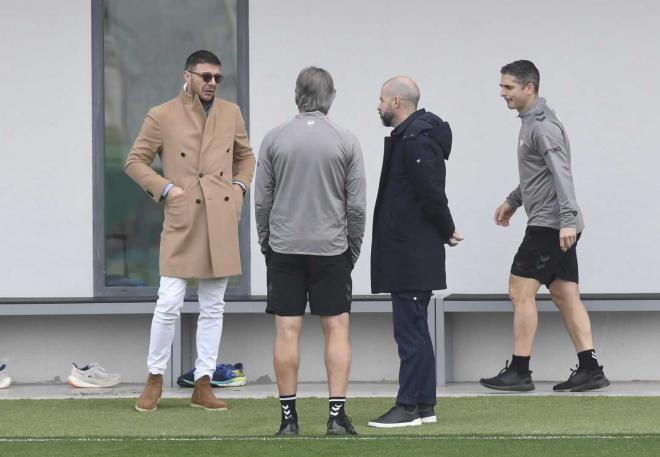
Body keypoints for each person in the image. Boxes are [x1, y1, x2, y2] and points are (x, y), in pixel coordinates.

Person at [125, 50, 255, 412]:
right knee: (168, 302)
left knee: (214, 306)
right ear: (188, 76)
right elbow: (134, 161)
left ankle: (203, 382)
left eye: (217, 77)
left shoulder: (231, 113)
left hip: (220, 216)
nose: (212, 83)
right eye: (205, 76)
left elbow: (246, 157)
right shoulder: (161, 114)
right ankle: (154, 378)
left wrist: (239, 189)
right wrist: (168, 190)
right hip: (183, 218)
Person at [479, 60, 609, 392]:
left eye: (508, 87)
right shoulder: (530, 124)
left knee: (519, 290)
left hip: (552, 225)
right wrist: (513, 200)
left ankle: (520, 371)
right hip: (555, 223)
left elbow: (561, 174)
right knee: (566, 295)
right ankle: (591, 369)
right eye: (501, 87)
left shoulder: (542, 127)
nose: (502, 93)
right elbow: (537, 175)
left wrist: (566, 221)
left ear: (529, 88)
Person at [255, 66, 366, 436]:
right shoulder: (346, 141)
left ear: (296, 96)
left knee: (287, 330)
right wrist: (352, 250)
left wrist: (266, 244)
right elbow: (356, 207)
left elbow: (262, 202)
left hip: (284, 247)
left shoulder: (274, 139)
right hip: (331, 249)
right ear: (331, 96)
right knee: (337, 328)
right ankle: (336, 417)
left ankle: (289, 421)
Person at [368, 76, 462, 428]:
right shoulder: (412, 136)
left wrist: (447, 227)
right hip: (410, 250)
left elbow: (431, 191)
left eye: (380, 99)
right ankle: (424, 405)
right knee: (415, 328)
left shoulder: (415, 139)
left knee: (410, 331)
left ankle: (408, 406)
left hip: (410, 252)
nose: (377, 106)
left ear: (396, 101)